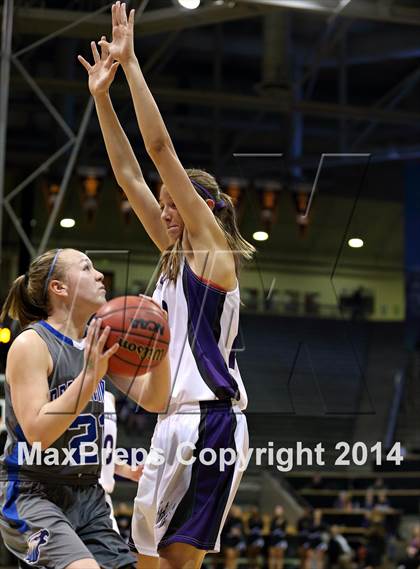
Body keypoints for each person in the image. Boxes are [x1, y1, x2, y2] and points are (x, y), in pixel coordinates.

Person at [78, 4, 255, 568]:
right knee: (147, 560)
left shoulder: (212, 252)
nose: (162, 210)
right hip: (168, 423)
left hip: (210, 421)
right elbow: (130, 173)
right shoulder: (173, 257)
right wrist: (101, 97)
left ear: (199, 207)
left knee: (175, 564)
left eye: (172, 202)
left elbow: (157, 152)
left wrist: (131, 65)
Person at [0, 248, 170, 569]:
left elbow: (155, 400)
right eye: (86, 268)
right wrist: (91, 376)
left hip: (88, 496)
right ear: (59, 288)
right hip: (32, 493)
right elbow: (37, 433)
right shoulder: (32, 344)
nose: (100, 275)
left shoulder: (100, 343)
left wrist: (161, 340)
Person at [99, 389, 143, 533]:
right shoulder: (63, 389)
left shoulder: (109, 397)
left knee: (117, 554)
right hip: (68, 491)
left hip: (100, 500)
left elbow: (104, 451)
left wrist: (129, 471)